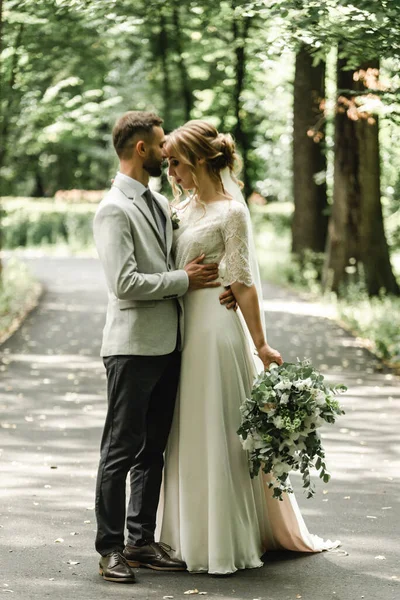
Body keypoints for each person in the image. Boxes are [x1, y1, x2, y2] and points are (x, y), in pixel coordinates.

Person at [155, 120, 340, 575]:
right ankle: (188, 535)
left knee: (219, 426)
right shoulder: (181, 207)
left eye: (176, 162)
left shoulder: (231, 213)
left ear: (199, 160)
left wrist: (261, 344)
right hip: (182, 328)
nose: (171, 171)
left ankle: (226, 538)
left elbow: (243, 283)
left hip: (216, 331)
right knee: (189, 430)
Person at [93, 111, 236, 583]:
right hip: (132, 347)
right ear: (141, 150)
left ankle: (140, 541)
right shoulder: (113, 208)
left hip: (172, 343)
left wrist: (224, 284)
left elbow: (196, 252)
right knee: (121, 449)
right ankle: (110, 548)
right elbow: (124, 282)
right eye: (160, 146)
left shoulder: (159, 202)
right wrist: (184, 280)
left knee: (153, 449)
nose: (166, 152)